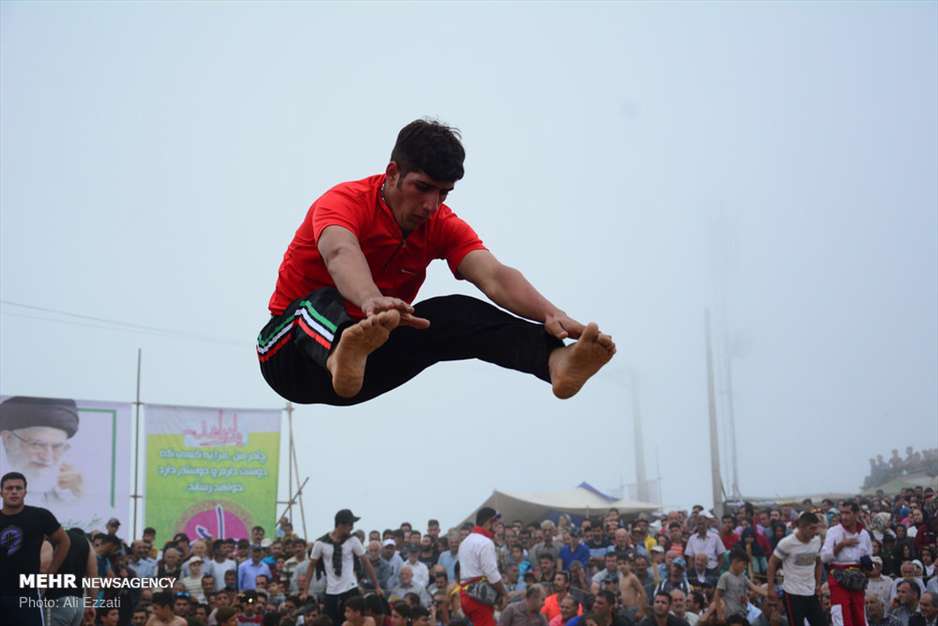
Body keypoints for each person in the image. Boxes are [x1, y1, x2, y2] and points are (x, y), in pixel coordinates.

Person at [257, 119, 616, 406]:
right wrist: (369, 298)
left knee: (455, 313)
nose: (432, 205)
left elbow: (493, 275)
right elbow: (340, 253)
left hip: (365, 366)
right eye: (423, 188)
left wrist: (552, 314)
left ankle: (557, 364)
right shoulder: (344, 202)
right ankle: (339, 352)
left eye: (443, 193)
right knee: (318, 302)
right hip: (290, 356)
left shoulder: (441, 224)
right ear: (393, 172)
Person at [0, 471, 71, 626]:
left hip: (27, 594)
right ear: (1, 492)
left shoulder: (40, 516)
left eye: (18, 488)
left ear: (25, 492)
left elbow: (64, 542)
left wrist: (50, 575)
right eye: (9, 488)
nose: (13, 491)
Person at [0, 396, 84, 504]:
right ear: (8, 439)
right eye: (37, 445)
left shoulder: (72, 491)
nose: (47, 457)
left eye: (57, 446)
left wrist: (79, 499)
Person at [309, 509, 383, 624]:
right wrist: (305, 590)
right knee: (330, 622)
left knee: (354, 622)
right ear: (341, 524)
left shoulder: (353, 540)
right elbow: (311, 565)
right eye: (350, 525)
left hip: (350, 588)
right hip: (331, 590)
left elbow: (366, 562)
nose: (352, 528)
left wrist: (377, 586)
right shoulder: (321, 543)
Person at [766, 512, 825, 626]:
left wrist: (818, 584)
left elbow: (818, 563)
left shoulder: (816, 541)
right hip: (793, 593)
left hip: (810, 591)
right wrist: (770, 588)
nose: (815, 532)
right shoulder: (787, 543)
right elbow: (772, 563)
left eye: (816, 528)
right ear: (802, 527)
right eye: (811, 528)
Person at [821, 501, 873, 626]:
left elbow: (870, 556)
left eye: (847, 513)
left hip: (857, 579)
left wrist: (868, 565)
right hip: (838, 577)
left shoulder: (864, 534)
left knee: (859, 614)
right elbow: (824, 557)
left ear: (856, 514)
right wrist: (841, 545)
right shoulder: (833, 531)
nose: (844, 517)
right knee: (841, 614)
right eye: (842, 513)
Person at [458, 507, 508, 626]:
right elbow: (491, 573)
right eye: (495, 522)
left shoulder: (465, 541)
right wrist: (504, 593)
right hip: (478, 597)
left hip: (465, 595)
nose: (497, 525)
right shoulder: (485, 542)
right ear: (488, 522)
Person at [45, 526, 96, 626]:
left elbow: (44, 565)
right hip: (78, 604)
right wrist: (90, 605)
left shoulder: (55, 540)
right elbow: (93, 576)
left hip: (57, 600)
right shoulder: (86, 544)